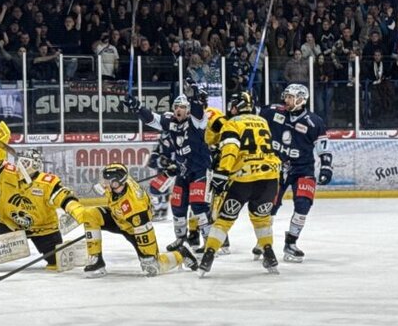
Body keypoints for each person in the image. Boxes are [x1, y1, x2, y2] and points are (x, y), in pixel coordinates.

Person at [0, 120, 88, 269]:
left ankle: (89, 254)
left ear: (35, 166)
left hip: (44, 230)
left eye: (25, 163)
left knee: (57, 261)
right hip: (11, 224)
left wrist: (75, 208)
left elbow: (63, 196)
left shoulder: (46, 183)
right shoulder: (8, 174)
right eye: (20, 162)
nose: (19, 166)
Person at [198, 91, 281, 276]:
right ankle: (269, 253)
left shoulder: (232, 123)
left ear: (235, 107)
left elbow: (230, 148)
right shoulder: (262, 122)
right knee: (262, 219)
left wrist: (222, 172)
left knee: (224, 220)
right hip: (269, 178)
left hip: (243, 179)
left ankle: (208, 256)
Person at [124, 93, 212, 252]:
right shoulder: (170, 122)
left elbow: (199, 113)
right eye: (177, 107)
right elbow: (152, 118)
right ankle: (180, 239)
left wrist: (195, 97)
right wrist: (137, 107)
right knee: (177, 205)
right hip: (183, 171)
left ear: (188, 110)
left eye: (183, 107)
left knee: (198, 205)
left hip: (200, 169)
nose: (179, 110)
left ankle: (209, 242)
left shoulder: (196, 122)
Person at [256, 84, 333, 262]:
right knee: (269, 206)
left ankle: (290, 243)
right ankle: (263, 241)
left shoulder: (314, 122)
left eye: (290, 97)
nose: (286, 100)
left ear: (300, 99)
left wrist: (326, 167)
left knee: (303, 205)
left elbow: (324, 148)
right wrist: (247, 100)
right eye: (287, 96)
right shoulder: (274, 112)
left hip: (303, 169)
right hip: (277, 167)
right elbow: (253, 111)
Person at [79, 163, 197, 278]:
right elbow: (118, 174)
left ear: (116, 183)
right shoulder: (120, 183)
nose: (104, 184)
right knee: (90, 215)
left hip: (136, 229)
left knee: (152, 266)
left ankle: (181, 254)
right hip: (119, 218)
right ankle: (96, 260)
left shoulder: (136, 208)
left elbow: (142, 227)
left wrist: (147, 256)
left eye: (107, 182)